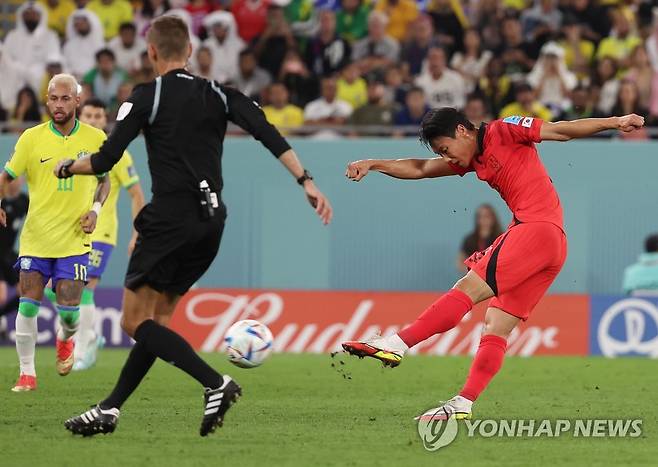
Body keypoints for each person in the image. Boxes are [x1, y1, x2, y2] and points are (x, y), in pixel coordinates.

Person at [58, 16, 332, 437]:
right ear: (189, 52)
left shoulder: (145, 95)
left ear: (151, 52)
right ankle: (109, 409)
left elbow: (104, 159)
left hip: (170, 218)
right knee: (157, 325)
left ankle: (215, 383)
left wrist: (66, 167)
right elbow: (266, 131)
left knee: (134, 322)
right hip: (212, 221)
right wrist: (306, 181)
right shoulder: (219, 93)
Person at [341, 107, 644, 421]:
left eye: (445, 149)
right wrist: (372, 163)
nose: (448, 157)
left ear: (463, 130)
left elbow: (561, 130)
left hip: (535, 230)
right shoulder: (474, 157)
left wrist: (615, 122)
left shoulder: (505, 129)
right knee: (496, 324)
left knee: (467, 288)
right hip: (552, 244)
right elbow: (419, 168)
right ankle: (463, 402)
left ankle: (398, 343)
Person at [0, 73, 110, 392]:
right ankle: (26, 373)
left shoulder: (94, 137)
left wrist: (95, 210)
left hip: (74, 239)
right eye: (53, 98)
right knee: (28, 304)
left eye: (65, 98)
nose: (58, 105)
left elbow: (104, 181)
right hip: (35, 238)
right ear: (46, 101)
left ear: (77, 101)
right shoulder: (31, 138)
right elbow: (7, 175)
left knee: (69, 314)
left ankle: (66, 340)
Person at [72, 98, 145, 370]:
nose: (92, 120)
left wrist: (137, 233)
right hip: (70, 231)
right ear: (80, 116)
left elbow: (136, 193)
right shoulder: (72, 149)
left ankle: (83, 345)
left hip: (101, 232)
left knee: (84, 287)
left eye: (98, 116)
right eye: (88, 115)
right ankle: (86, 333)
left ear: (105, 120)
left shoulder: (118, 153)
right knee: (55, 288)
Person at [0, 177, 28, 340]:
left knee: (25, 291)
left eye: (18, 178)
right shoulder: (1, 199)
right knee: (2, 296)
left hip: (9, 254)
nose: (15, 181)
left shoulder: (24, 201)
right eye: (12, 177)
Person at [456, 204, 502, 274]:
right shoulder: (469, 240)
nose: (484, 220)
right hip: (473, 280)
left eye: (487, 216)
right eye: (480, 217)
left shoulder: (500, 238)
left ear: (493, 218)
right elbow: (460, 262)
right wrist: (473, 273)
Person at [202, 11, 245, 84]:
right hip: (212, 83)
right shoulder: (206, 45)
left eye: (221, 27)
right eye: (216, 27)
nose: (218, 30)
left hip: (236, 83)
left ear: (227, 28)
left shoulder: (239, 45)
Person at [63, 9, 105, 78]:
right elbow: (64, 64)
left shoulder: (100, 44)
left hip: (93, 79)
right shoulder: (69, 45)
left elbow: (100, 65)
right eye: (77, 25)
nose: (80, 26)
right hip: (72, 79)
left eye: (82, 24)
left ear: (90, 23)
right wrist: (70, 74)